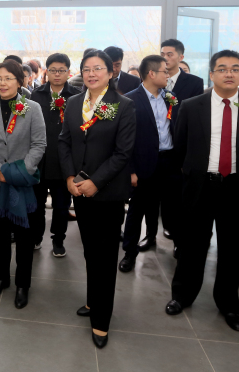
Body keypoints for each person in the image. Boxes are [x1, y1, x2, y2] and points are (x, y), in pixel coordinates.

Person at [165, 50, 239, 333]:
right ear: (211, 74)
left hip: (237, 188)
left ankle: (229, 304)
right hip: (200, 185)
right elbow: (179, 147)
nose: (229, 73)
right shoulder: (192, 106)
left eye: (235, 69)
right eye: (222, 69)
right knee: (192, 245)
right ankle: (182, 295)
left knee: (232, 249)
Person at [58, 49, 135, 348]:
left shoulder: (123, 106)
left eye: (98, 68)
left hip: (108, 193)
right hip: (79, 191)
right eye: (87, 69)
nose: (92, 74)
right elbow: (64, 142)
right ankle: (93, 300)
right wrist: (69, 178)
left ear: (110, 72)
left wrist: (96, 182)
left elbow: (123, 153)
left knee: (105, 257)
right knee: (90, 251)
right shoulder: (74, 102)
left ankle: (101, 320)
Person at [0, 59, 46, 309]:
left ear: (20, 81)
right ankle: (2, 278)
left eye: (8, 78)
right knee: (2, 232)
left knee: (25, 235)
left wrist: (17, 172)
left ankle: (22, 284)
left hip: (23, 182)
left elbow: (39, 144)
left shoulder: (32, 108)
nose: (2, 83)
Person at [119, 55, 181, 272]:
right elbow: (124, 140)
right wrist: (131, 170)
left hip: (170, 161)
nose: (168, 75)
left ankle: (179, 247)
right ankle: (129, 253)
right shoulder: (129, 100)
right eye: (165, 71)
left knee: (175, 207)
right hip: (143, 163)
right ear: (151, 74)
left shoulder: (171, 97)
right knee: (137, 210)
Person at [30, 53, 81, 257]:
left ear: (68, 72)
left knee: (61, 206)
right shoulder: (36, 95)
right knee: (37, 205)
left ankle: (58, 239)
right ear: (47, 72)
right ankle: (36, 236)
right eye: (53, 70)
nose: (57, 74)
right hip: (40, 160)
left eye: (61, 70)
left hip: (64, 162)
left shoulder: (77, 96)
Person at [160, 39, 204, 249]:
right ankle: (159, 230)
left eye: (170, 54)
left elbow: (195, 118)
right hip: (159, 147)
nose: (165, 58)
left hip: (182, 147)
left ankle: (180, 239)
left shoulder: (194, 82)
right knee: (163, 196)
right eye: (162, 54)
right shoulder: (154, 78)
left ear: (181, 57)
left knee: (180, 195)